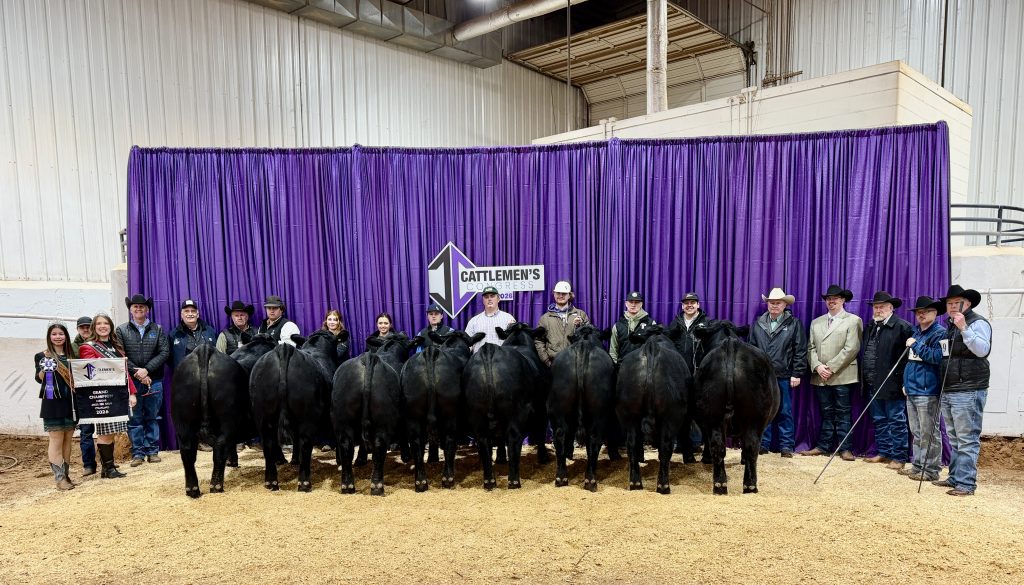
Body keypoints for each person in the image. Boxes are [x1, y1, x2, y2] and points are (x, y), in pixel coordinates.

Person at [934, 284, 992, 497]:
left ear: (967, 304)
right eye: (949, 303)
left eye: (956, 302)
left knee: (967, 438)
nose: (951, 306)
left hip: (968, 387)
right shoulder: (950, 326)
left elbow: (982, 350)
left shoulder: (977, 323)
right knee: (955, 437)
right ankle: (955, 477)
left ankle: (966, 484)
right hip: (950, 387)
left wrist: (964, 329)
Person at [801, 284, 863, 461]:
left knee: (843, 412)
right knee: (826, 413)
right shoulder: (816, 322)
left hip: (842, 375)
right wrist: (818, 367)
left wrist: (830, 367)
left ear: (843, 300)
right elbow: (810, 347)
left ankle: (845, 448)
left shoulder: (853, 320)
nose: (831, 301)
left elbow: (852, 348)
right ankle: (823, 446)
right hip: (820, 376)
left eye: (835, 298)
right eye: (828, 298)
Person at [750, 288, 807, 458]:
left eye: (778, 303)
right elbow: (751, 349)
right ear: (767, 304)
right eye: (771, 302)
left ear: (784, 305)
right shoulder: (757, 323)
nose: (774, 305)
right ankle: (763, 444)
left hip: (783, 374)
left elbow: (800, 349)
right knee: (762, 411)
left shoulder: (794, 323)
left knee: (784, 411)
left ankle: (786, 446)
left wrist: (797, 372)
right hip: (761, 376)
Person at [80, 313, 138, 479]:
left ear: (111, 326)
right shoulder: (88, 347)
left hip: (118, 395)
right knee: (105, 432)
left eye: (106, 323)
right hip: (103, 395)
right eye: (99, 323)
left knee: (111, 432)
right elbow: (92, 373)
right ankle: (108, 468)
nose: (103, 326)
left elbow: (125, 372)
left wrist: (132, 392)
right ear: (94, 327)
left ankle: (108, 467)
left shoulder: (116, 347)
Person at [116, 293, 170, 468]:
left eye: (142, 307)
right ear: (131, 310)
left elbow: (164, 352)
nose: (138, 309)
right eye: (135, 307)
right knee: (135, 418)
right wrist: (137, 372)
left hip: (153, 380)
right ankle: (138, 452)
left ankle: (152, 451)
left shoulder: (158, 329)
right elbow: (120, 354)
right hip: (132, 382)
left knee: (152, 416)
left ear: (147, 310)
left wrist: (147, 369)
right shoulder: (121, 330)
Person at [860, 291, 913, 469]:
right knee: (879, 419)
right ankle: (884, 451)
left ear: (891, 308)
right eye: (876, 306)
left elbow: (908, 358)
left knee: (896, 420)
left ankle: (899, 457)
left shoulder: (902, 327)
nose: (878, 309)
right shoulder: (870, 326)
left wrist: (903, 381)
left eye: (882, 306)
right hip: (872, 381)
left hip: (892, 383)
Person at [900, 296, 946, 482]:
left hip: (928, 390)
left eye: (925, 311)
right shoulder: (916, 332)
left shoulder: (940, 334)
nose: (921, 314)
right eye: (919, 312)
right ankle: (918, 466)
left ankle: (931, 469)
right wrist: (905, 383)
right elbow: (910, 361)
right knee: (917, 431)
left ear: (935, 313)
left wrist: (916, 344)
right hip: (912, 388)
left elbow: (936, 357)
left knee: (929, 432)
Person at [35, 323, 77, 490]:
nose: (58, 336)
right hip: (52, 402)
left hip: (71, 403)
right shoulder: (41, 356)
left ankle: (66, 475)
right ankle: (59, 478)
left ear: (66, 336)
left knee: (68, 439)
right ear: (49, 337)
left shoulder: (71, 356)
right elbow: (39, 378)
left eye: (61, 334)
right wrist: (46, 367)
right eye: (54, 334)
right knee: (56, 439)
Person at [535, 281, 590, 367]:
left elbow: (588, 336)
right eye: (558, 293)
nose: (560, 296)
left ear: (569, 295)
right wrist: (546, 361)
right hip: (554, 363)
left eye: (564, 293)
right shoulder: (545, 318)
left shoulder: (581, 314)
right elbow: (539, 341)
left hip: (576, 363)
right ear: (554, 294)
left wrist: (580, 326)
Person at [70, 315, 97, 476]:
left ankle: (108, 463)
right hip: (82, 393)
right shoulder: (72, 347)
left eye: (88, 327)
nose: (86, 330)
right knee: (86, 430)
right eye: (82, 327)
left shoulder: (98, 344)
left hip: (99, 390)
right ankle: (88, 464)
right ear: (78, 329)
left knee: (103, 429)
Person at [169, 299, 218, 371]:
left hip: (209, 375)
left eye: (193, 311)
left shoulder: (209, 331)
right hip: (185, 377)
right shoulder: (174, 334)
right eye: (186, 311)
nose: (190, 314)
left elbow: (217, 352)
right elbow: (169, 358)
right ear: (181, 315)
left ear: (197, 314)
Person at [609, 291, 655, 365]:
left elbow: (655, 348)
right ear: (626, 304)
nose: (633, 305)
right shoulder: (617, 326)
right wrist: (615, 367)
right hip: (623, 367)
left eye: (637, 302)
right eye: (631, 302)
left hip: (643, 368)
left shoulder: (651, 324)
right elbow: (613, 351)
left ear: (641, 304)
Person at [464, 287, 517, 352]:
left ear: (498, 299)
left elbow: (515, 342)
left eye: (492, 296)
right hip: (479, 360)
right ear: (483, 301)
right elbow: (467, 344)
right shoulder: (474, 321)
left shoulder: (508, 319)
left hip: (502, 360)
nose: (489, 299)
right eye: (486, 297)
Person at [668, 292, 708, 371]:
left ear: (698, 305)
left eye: (692, 302)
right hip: (678, 368)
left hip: (699, 369)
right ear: (682, 306)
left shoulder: (706, 322)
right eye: (686, 303)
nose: (689, 305)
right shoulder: (675, 322)